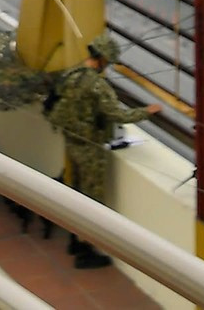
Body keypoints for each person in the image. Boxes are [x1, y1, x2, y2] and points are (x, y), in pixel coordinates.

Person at [47, 32, 163, 270]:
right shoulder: (97, 85)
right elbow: (117, 114)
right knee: (92, 202)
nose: (108, 66)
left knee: (76, 193)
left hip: (72, 141)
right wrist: (146, 112)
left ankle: (75, 241)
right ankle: (86, 251)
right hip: (90, 147)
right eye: (108, 62)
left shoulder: (73, 74)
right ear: (101, 59)